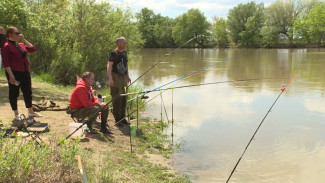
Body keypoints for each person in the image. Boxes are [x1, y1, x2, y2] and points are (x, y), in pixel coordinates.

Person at [1, 26, 42, 120]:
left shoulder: (19, 44)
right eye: (16, 33)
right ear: (10, 34)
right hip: (14, 72)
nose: (18, 34)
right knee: (14, 93)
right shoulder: (6, 46)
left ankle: (31, 111)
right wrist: (11, 76)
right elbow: (6, 63)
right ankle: (16, 114)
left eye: (19, 32)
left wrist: (23, 39)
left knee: (28, 91)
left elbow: (32, 49)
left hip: (25, 71)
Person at [107, 37, 131, 126]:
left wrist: (128, 76)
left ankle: (122, 117)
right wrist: (110, 78)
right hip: (116, 77)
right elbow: (109, 66)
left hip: (124, 78)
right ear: (118, 43)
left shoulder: (124, 52)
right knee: (117, 96)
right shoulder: (113, 53)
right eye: (123, 42)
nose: (125, 44)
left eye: (125, 42)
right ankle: (117, 118)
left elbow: (126, 65)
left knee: (124, 96)